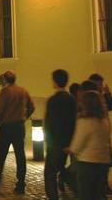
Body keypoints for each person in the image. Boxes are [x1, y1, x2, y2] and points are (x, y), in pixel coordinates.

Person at [0, 71, 35, 194]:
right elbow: (32, 106)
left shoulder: (5, 92)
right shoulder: (23, 91)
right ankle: (21, 182)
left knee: (1, 153)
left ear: (5, 80)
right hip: (19, 127)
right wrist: (24, 117)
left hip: (6, 127)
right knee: (20, 155)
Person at [66, 91, 111, 200]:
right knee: (99, 194)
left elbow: (77, 145)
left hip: (87, 163)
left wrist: (69, 149)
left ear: (85, 104)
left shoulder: (84, 121)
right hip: (103, 162)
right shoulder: (104, 120)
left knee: (86, 194)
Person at [44, 69, 77, 200]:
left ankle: (53, 197)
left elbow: (49, 123)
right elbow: (73, 122)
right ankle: (78, 189)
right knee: (61, 168)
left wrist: (49, 141)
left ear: (55, 81)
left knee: (50, 174)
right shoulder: (71, 99)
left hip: (55, 143)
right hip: (67, 143)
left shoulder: (53, 100)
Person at [89, 73, 112, 195]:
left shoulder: (102, 96)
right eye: (99, 84)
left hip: (103, 134)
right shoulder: (89, 97)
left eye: (101, 84)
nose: (101, 86)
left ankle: (103, 185)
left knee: (107, 161)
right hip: (93, 135)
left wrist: (108, 93)